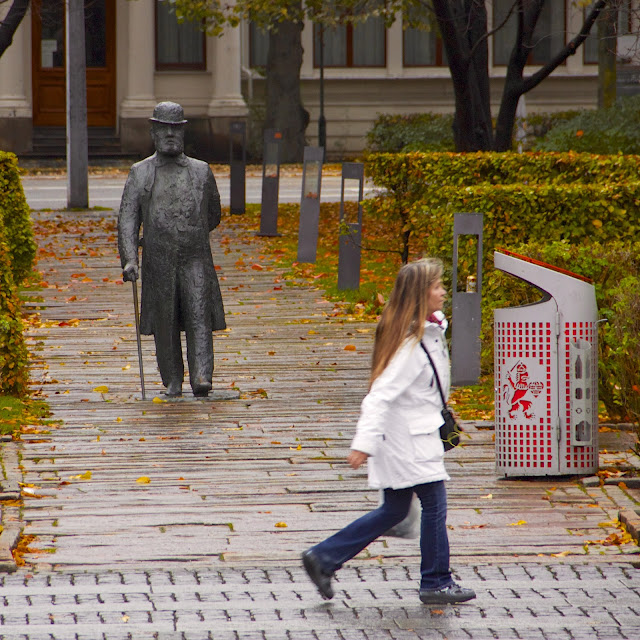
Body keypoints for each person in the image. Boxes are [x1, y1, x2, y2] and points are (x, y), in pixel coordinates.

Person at [302, 258, 476, 605]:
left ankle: (323, 557)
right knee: (434, 503)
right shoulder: (411, 346)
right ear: (421, 294)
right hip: (407, 442)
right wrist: (362, 445)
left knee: (395, 510)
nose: (443, 292)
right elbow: (379, 396)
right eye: (437, 287)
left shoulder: (427, 333)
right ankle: (436, 581)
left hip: (412, 437)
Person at [118, 102, 226, 397]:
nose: (169, 135)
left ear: (183, 133)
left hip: (195, 257)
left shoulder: (201, 171)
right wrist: (130, 259)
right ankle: (173, 379)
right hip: (158, 259)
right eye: (163, 129)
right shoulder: (140, 172)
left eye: (175, 130)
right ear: (153, 132)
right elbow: (128, 219)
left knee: (198, 314)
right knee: (165, 321)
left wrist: (190, 232)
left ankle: (202, 375)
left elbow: (213, 213)